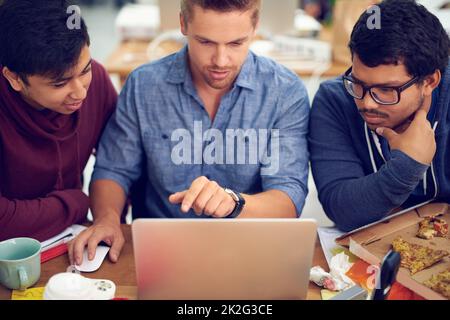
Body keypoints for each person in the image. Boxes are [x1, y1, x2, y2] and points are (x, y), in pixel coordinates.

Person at [69, 0, 311, 265]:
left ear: (255, 28)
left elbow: (288, 197)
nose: (220, 61)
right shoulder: (143, 85)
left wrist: (234, 203)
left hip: (250, 248)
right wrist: (107, 220)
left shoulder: (285, 92)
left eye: (235, 43)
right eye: (206, 42)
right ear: (183, 24)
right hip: (160, 250)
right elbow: (114, 170)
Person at [309, 0, 450, 231]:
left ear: (430, 81)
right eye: (357, 83)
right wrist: (407, 166)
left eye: (387, 90)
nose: (366, 102)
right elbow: (342, 209)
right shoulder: (334, 99)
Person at [0, 0, 118, 241]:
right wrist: (76, 203)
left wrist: (107, 217)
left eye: (85, 70)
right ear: (14, 78)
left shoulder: (98, 84)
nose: (80, 93)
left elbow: (121, 163)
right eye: (59, 84)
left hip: (72, 239)